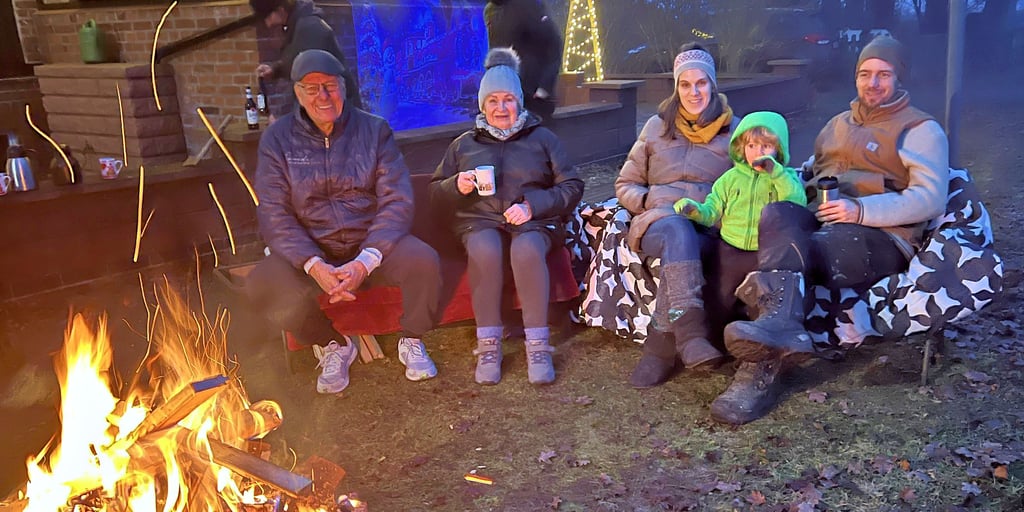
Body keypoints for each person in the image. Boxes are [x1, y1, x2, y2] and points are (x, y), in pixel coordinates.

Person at [712, 36, 950, 425]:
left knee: (802, 256)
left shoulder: (920, 129)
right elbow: (809, 171)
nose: (873, 83)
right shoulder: (836, 125)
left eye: (883, 75)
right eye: (865, 74)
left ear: (898, 78)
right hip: (825, 219)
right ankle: (782, 329)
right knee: (776, 215)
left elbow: (930, 199)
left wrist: (860, 209)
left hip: (881, 235)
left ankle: (754, 375)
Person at [247, 50, 442, 394]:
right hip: (313, 248)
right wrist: (313, 265)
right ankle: (332, 343)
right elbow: (273, 212)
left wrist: (366, 261)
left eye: (330, 86)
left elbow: (396, 200)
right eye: (312, 88)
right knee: (262, 283)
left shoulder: (374, 130)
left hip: (370, 244)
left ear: (344, 87)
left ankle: (411, 338)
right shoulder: (277, 140)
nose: (323, 96)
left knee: (423, 260)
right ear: (297, 93)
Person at [430, 48, 583, 385]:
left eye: (509, 100)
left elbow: (572, 186)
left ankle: (538, 345)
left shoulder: (543, 139)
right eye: (493, 101)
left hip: (534, 221)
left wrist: (533, 205)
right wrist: (456, 184)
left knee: (526, 250)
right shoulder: (463, 144)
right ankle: (489, 344)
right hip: (479, 220)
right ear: (483, 105)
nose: (501, 108)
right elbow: (434, 192)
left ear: (520, 104)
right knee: (485, 249)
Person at [614, 43, 738, 388]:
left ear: (712, 85)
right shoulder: (656, 127)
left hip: (708, 222)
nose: (694, 91)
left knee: (685, 235)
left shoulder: (735, 131)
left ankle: (660, 348)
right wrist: (651, 201)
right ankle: (691, 335)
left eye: (701, 83)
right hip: (657, 222)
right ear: (676, 87)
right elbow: (625, 183)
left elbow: (748, 184)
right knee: (676, 231)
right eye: (686, 84)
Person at [674, 111, 807, 320]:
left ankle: (755, 336)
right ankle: (717, 339)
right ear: (741, 147)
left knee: (762, 300)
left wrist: (777, 173)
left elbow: (796, 204)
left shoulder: (784, 177)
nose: (757, 152)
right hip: (730, 249)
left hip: (765, 254)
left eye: (766, 146)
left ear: (778, 150)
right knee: (720, 299)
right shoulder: (730, 179)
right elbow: (712, 211)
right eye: (751, 146)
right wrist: (695, 211)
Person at [249, 0, 362, 114]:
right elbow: (296, 60)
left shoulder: (309, 28)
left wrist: (281, 117)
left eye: (267, 17)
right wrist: (275, 69)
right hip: (329, 109)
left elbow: (308, 76)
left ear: (280, 10)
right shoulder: (298, 25)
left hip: (338, 110)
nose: (268, 23)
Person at [484, 0, 563, 121]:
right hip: (505, 93)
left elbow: (553, 46)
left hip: (531, 98)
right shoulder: (491, 10)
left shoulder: (528, 6)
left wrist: (544, 87)